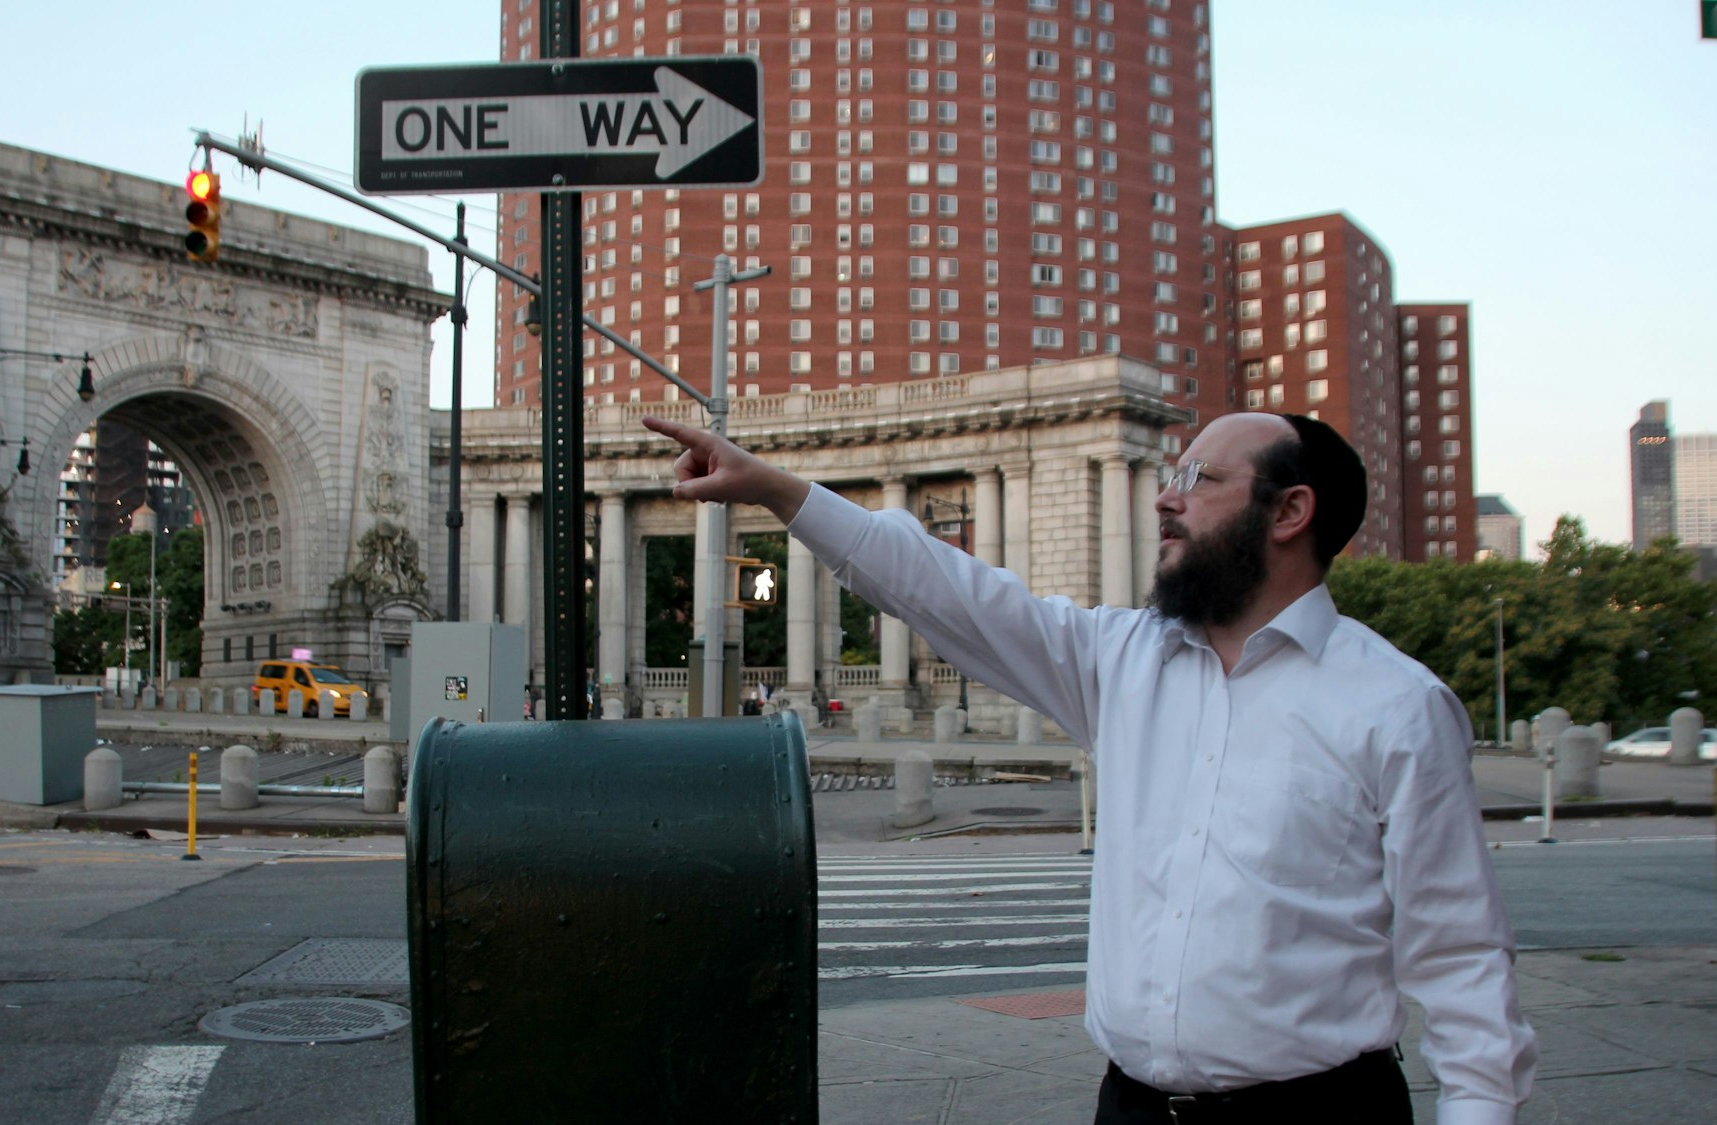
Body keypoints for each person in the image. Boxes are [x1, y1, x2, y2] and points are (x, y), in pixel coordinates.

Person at [643, 411, 1536, 1124]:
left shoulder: (1396, 705)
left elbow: (1459, 957)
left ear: (1290, 511)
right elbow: (946, 590)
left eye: (1199, 479)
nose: (1164, 498)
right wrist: (776, 488)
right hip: (1133, 1107)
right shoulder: (1123, 660)